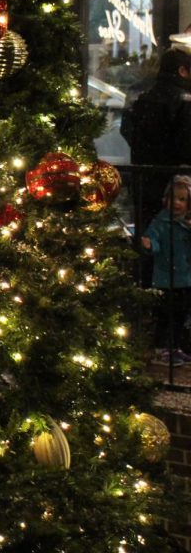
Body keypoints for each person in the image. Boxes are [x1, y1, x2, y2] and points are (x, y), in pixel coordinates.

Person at [122, 47, 191, 230]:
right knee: (175, 236)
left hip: (143, 177)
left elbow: (127, 129)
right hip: (174, 181)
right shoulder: (184, 100)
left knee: (148, 232)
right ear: (182, 71)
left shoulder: (144, 95)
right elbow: (186, 142)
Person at [139, 174, 191, 366]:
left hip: (185, 277)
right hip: (166, 277)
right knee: (165, 315)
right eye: (173, 198)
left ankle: (175, 347)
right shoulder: (160, 223)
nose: (176, 203)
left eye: (182, 199)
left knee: (181, 315)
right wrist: (148, 244)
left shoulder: (186, 223)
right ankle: (161, 349)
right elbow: (154, 243)